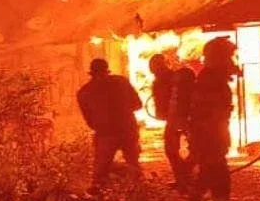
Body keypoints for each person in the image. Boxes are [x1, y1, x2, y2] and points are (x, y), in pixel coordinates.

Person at [183, 37, 242, 201]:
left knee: (208, 176)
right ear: (219, 58)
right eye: (229, 56)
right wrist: (213, 143)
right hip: (210, 138)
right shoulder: (211, 81)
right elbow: (210, 115)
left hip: (210, 137)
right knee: (219, 177)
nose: (232, 61)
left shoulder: (212, 79)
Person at [76, 58, 143, 189]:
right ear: (106, 70)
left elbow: (89, 120)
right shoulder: (122, 82)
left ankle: (99, 200)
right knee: (133, 165)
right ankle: (139, 195)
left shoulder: (84, 92)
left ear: (92, 73)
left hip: (105, 134)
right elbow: (138, 104)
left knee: (100, 172)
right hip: (127, 130)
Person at [148, 53, 195, 188]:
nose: (153, 69)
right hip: (177, 118)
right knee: (173, 150)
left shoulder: (171, 79)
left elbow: (172, 100)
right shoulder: (164, 79)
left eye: (155, 66)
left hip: (179, 118)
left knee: (174, 149)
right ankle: (183, 177)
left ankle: (185, 176)